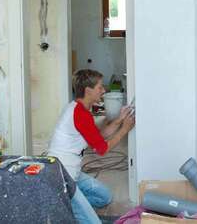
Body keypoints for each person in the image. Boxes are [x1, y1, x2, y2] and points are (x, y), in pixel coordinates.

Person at [47, 69, 135, 224]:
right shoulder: (80, 114)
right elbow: (102, 149)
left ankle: (71, 204)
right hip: (62, 176)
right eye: (100, 87)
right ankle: (64, 204)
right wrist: (124, 130)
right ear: (88, 90)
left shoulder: (77, 108)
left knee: (105, 197)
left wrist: (120, 120)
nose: (103, 90)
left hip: (70, 171)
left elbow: (98, 137)